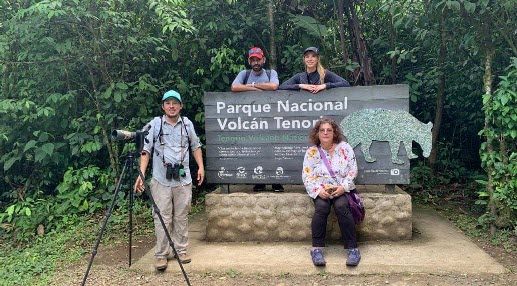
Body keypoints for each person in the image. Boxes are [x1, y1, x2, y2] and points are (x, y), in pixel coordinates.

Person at [133, 90, 204, 271]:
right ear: (163, 106)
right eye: (168, 103)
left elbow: (195, 146)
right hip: (160, 179)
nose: (171, 106)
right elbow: (145, 150)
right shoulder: (155, 125)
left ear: (180, 105)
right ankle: (161, 254)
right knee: (161, 217)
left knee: (181, 215)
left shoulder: (187, 125)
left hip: (183, 179)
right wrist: (141, 174)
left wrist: (201, 167)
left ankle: (181, 250)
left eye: (175, 103)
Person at [302, 117, 361, 267]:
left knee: (342, 206)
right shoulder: (312, 152)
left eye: (329, 130)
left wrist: (343, 187)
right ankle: (316, 249)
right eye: (322, 130)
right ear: (317, 134)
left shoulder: (345, 147)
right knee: (321, 207)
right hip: (322, 190)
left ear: (334, 132)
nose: (326, 133)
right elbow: (307, 175)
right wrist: (318, 191)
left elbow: (352, 170)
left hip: (341, 189)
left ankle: (353, 249)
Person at [231, 46, 283, 192]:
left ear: (263, 59)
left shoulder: (271, 73)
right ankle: (259, 181)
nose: (256, 62)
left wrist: (248, 86)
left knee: (273, 150)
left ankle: (276, 181)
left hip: (271, 118)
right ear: (249, 61)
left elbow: (274, 86)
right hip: (251, 119)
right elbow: (234, 87)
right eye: (253, 60)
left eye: (258, 59)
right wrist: (256, 87)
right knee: (257, 149)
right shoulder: (244, 73)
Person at [279, 47, 350, 93]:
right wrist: (300, 86)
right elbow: (282, 86)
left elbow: (345, 83)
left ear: (318, 59)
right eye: (307, 57)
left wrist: (324, 86)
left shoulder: (324, 73)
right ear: (304, 59)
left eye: (313, 56)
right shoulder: (300, 76)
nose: (310, 59)